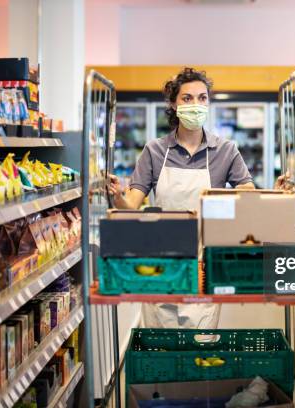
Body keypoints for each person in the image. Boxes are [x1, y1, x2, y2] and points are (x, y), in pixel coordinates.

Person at [107, 67, 254, 329]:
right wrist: (118, 195)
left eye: (202, 98)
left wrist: (275, 195)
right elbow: (131, 203)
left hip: (202, 264)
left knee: (198, 348)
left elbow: (249, 196)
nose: (195, 104)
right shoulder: (155, 150)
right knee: (162, 343)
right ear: (174, 105)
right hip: (159, 262)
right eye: (187, 98)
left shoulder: (225, 150)